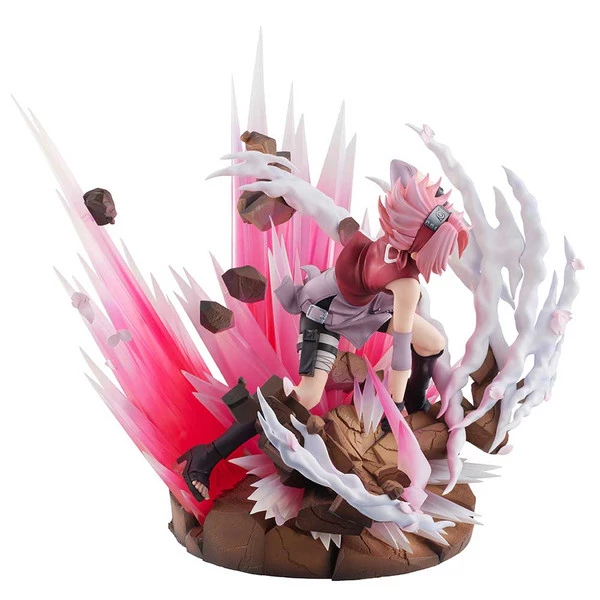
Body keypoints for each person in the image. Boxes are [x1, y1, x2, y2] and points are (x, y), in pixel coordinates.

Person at [178, 154, 469, 502]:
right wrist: (394, 407)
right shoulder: (402, 280)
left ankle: (415, 401)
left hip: (369, 309)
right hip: (324, 314)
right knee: (307, 396)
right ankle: (207, 454)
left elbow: (326, 207)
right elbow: (401, 351)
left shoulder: (383, 254)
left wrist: (293, 188)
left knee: (432, 340)